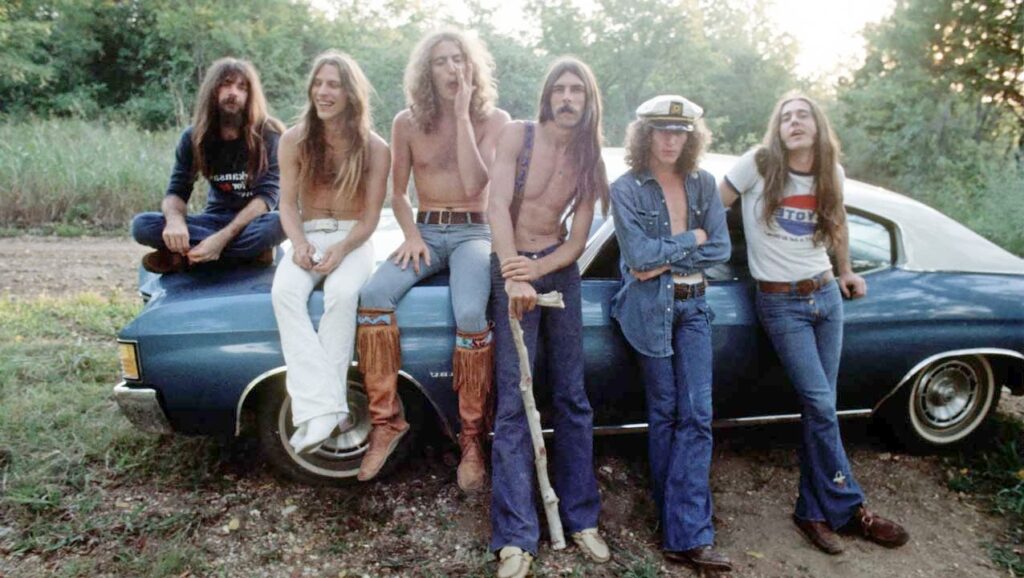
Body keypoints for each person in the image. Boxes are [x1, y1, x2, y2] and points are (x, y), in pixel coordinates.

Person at [719, 93, 909, 554]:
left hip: (825, 295)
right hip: (779, 303)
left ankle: (811, 511)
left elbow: (837, 224)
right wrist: (712, 259)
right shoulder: (759, 164)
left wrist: (845, 271)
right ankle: (852, 507)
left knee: (819, 408)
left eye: (803, 114)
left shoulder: (831, 173)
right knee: (821, 404)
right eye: (786, 116)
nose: (794, 121)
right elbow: (711, 204)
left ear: (818, 126)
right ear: (777, 129)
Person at [355, 30, 509, 489]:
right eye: (441, 61)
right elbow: (397, 192)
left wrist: (462, 116)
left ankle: (471, 438)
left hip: (473, 230)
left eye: (459, 59)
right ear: (427, 70)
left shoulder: (493, 119)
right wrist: (409, 233)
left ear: (472, 66)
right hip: (424, 229)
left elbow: (474, 184)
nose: (451, 69)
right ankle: (385, 421)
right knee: (374, 295)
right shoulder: (406, 122)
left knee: (469, 313)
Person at [486, 57, 610, 578]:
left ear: (588, 100)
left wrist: (538, 271)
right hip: (511, 262)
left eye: (575, 90)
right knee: (516, 400)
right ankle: (515, 537)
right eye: (558, 89)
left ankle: (582, 519)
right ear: (547, 96)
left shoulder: (588, 159)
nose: (566, 97)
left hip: (556, 268)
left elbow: (579, 242)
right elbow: (494, 207)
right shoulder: (519, 135)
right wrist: (515, 275)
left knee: (571, 397)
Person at [609, 95, 733, 572]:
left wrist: (665, 255)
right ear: (645, 135)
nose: (670, 140)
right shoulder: (626, 188)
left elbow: (719, 247)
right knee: (664, 414)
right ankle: (677, 526)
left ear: (691, 138)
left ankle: (687, 531)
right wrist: (691, 239)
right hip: (647, 311)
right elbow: (637, 260)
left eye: (679, 132)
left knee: (698, 415)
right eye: (661, 130)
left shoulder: (703, 184)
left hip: (694, 306)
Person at [271, 52, 389, 454]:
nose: (323, 91)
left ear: (351, 92)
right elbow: (286, 205)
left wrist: (341, 248)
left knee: (341, 295)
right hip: (307, 234)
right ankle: (325, 410)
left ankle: (319, 413)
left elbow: (371, 218)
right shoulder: (294, 139)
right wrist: (299, 243)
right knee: (285, 293)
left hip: (353, 238)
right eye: (318, 83)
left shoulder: (375, 147)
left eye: (333, 84)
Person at [131, 57, 286, 273]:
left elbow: (266, 199)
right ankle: (246, 256)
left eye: (242, 87)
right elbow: (176, 191)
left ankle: (186, 258)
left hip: (254, 222)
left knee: (278, 222)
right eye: (226, 84)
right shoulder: (194, 137)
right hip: (212, 221)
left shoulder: (269, 135)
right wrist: (175, 222)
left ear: (251, 96)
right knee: (142, 225)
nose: (234, 92)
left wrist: (221, 240)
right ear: (212, 89)